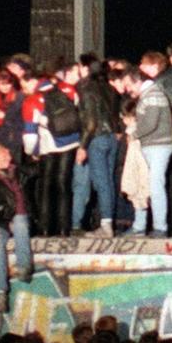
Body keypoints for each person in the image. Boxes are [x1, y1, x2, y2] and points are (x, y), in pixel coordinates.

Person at [21, 70, 80, 237]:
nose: (24, 90)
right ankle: (64, 229)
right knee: (64, 185)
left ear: (33, 82)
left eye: (25, 86)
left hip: (49, 146)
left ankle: (45, 228)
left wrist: (31, 152)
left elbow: (30, 134)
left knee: (46, 187)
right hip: (71, 143)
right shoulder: (67, 90)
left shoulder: (33, 101)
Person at [0, 143, 33, 313]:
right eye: (3, 153)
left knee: (19, 221)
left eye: (7, 152)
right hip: (1, 223)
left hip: (21, 220)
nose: (8, 155)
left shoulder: (19, 173)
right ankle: (1, 291)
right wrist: (6, 223)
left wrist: (37, 157)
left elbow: (36, 170)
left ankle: (24, 267)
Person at [126, 67, 172, 237]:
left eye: (128, 85)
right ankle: (140, 226)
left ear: (137, 81)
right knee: (144, 185)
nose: (127, 90)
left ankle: (160, 227)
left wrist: (134, 133)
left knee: (155, 186)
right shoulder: (150, 94)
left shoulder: (153, 94)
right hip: (152, 145)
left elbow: (151, 123)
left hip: (158, 146)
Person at [76, 56, 121, 237]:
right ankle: (109, 220)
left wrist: (82, 146)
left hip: (97, 139)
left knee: (102, 183)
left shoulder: (87, 89)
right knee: (108, 182)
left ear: (87, 69)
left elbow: (91, 122)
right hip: (111, 137)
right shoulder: (108, 88)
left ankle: (106, 225)